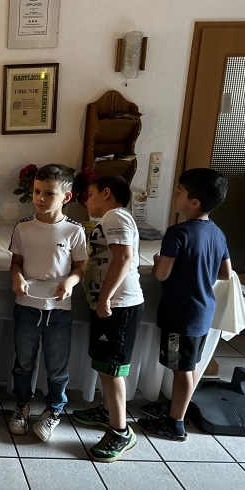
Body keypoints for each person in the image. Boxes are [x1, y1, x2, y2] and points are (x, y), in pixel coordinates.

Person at [137, 168, 231, 441]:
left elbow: (161, 274)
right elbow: (225, 273)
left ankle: (175, 422)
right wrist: (198, 271)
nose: (174, 196)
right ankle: (176, 408)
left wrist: (158, 261)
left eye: (179, 192)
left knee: (182, 369)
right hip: (202, 311)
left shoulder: (178, 233)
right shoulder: (217, 233)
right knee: (188, 365)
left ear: (195, 202)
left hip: (181, 314)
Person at [8, 164, 87, 441]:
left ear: (66, 197)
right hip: (27, 305)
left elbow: (80, 268)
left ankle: (54, 409)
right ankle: (21, 404)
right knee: (23, 362)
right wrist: (17, 277)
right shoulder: (23, 228)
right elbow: (16, 263)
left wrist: (70, 282)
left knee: (57, 366)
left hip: (59, 309)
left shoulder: (74, 231)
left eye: (49, 193)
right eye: (37, 192)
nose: (40, 198)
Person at [72, 175, 144, 462]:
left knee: (113, 369)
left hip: (119, 305)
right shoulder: (111, 218)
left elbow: (124, 257)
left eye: (90, 194)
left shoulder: (116, 215)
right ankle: (107, 411)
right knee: (104, 363)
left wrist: (105, 298)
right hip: (112, 304)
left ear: (106, 193)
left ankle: (121, 431)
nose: (87, 201)